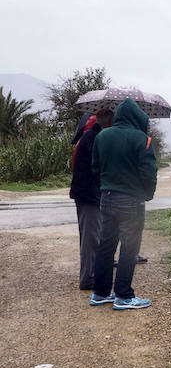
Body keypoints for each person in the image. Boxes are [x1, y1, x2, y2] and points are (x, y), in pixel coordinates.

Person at [89, 98, 157, 310]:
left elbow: (95, 168)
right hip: (131, 200)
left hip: (106, 197)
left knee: (106, 245)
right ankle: (123, 296)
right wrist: (147, 194)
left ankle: (100, 293)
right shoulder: (142, 139)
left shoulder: (102, 135)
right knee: (129, 248)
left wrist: (106, 185)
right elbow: (149, 173)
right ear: (137, 117)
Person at [69, 109, 114, 290]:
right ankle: (88, 278)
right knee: (90, 238)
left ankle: (91, 274)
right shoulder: (94, 138)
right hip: (89, 195)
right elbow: (98, 168)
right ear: (108, 122)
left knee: (91, 236)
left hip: (85, 193)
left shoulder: (91, 136)